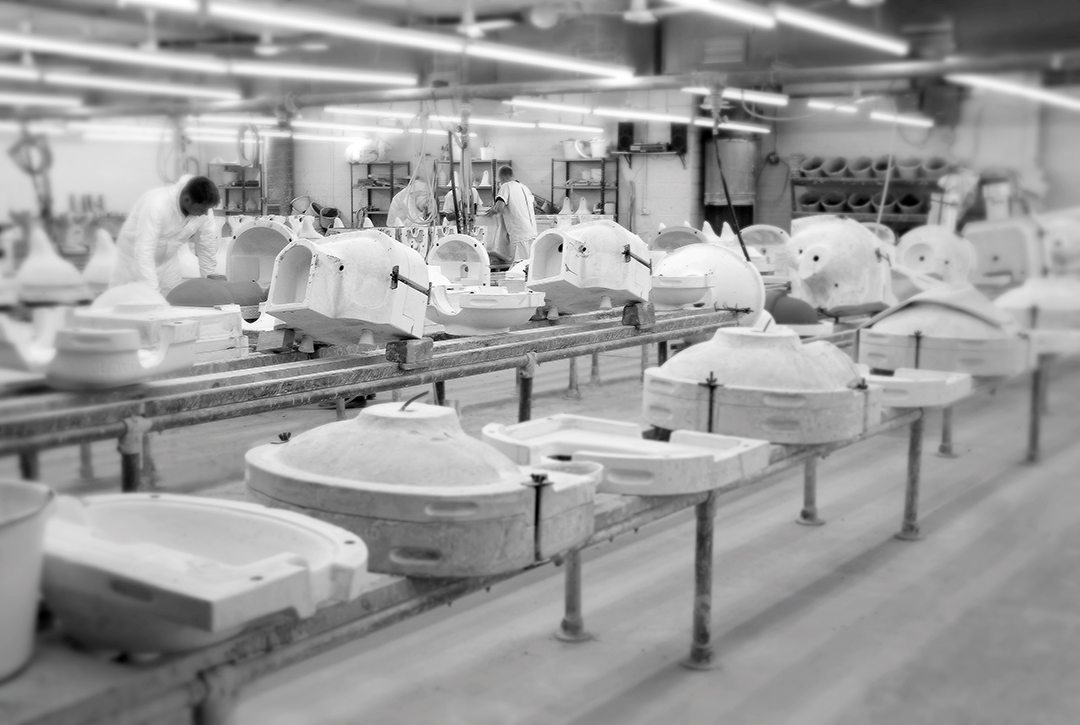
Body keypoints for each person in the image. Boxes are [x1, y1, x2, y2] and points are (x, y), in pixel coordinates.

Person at [110, 175, 220, 295]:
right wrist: (152, 292)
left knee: (172, 301)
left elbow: (206, 248)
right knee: (138, 304)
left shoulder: (205, 211)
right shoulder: (156, 204)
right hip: (133, 261)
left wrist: (211, 287)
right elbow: (144, 250)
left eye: (207, 210)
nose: (204, 213)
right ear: (187, 200)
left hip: (167, 261)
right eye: (201, 209)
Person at [482, 165, 537, 263]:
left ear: (501, 178)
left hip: (519, 233)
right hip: (532, 232)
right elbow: (535, 204)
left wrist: (492, 211)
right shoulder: (524, 187)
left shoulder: (506, 186)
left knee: (519, 265)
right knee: (529, 263)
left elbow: (499, 207)